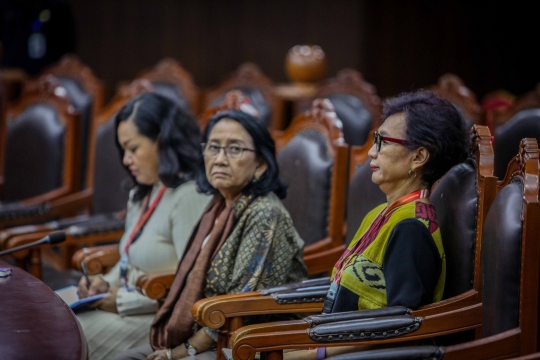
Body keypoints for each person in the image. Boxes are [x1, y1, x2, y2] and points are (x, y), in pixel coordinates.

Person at [286, 90, 470, 359]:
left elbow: (398, 329)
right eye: (375, 139)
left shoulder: (411, 229)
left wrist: (308, 355)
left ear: (419, 157)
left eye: (383, 142)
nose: (372, 151)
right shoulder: (382, 212)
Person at [115, 109, 308, 360]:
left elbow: (242, 305)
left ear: (260, 164)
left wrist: (183, 351)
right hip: (208, 329)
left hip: (248, 341)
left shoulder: (265, 214)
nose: (219, 159)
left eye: (235, 149)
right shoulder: (218, 205)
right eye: (213, 147)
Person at [76, 92, 211, 360]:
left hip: (160, 321)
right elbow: (129, 257)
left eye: (133, 148)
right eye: (123, 150)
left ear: (163, 141)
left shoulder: (189, 195)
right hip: (127, 309)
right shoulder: (144, 191)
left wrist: (124, 302)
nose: (126, 160)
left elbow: (197, 285)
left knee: (62, 334)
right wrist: (103, 283)